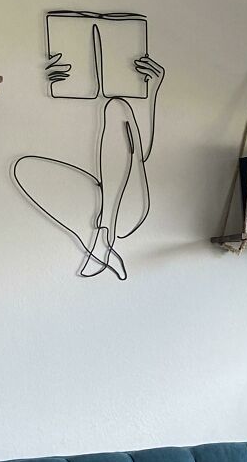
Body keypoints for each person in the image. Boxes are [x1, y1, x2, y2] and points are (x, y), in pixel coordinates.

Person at [14, 14, 165, 281]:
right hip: (90, 179)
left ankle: (103, 239)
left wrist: (154, 91)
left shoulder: (123, 109)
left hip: (115, 186)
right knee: (24, 167)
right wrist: (49, 84)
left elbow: (142, 153)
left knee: (119, 107)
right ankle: (103, 240)